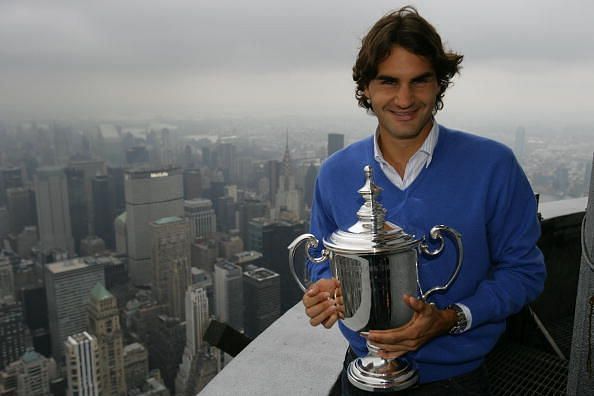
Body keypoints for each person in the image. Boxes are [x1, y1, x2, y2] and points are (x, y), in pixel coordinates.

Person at [302, 6, 546, 395]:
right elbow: (322, 263)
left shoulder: (493, 166)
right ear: (365, 88)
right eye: (388, 82)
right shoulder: (335, 173)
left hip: (457, 381)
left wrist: (451, 318)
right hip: (361, 373)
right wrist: (325, 292)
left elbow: (525, 273)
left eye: (420, 81)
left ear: (439, 85)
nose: (404, 98)